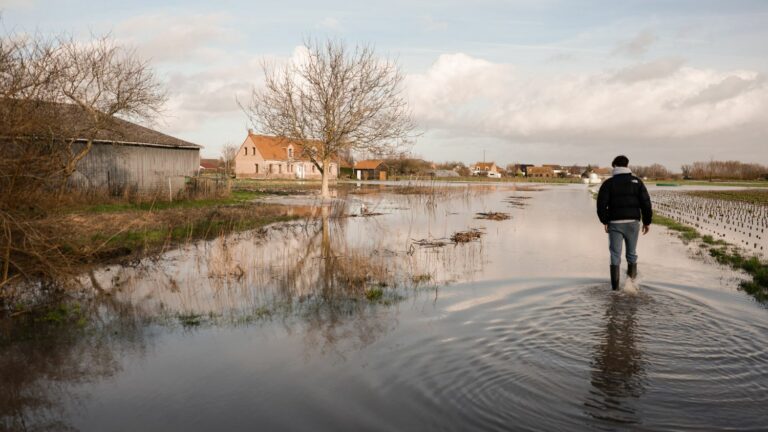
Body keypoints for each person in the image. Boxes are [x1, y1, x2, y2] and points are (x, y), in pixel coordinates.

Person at [596, 155, 653, 290]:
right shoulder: (637, 182)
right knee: (631, 253)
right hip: (633, 223)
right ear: (627, 165)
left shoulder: (608, 183)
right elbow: (646, 203)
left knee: (615, 255)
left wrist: (605, 221)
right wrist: (647, 222)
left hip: (615, 223)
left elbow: (600, 205)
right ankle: (631, 285)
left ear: (614, 166)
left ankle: (615, 290)